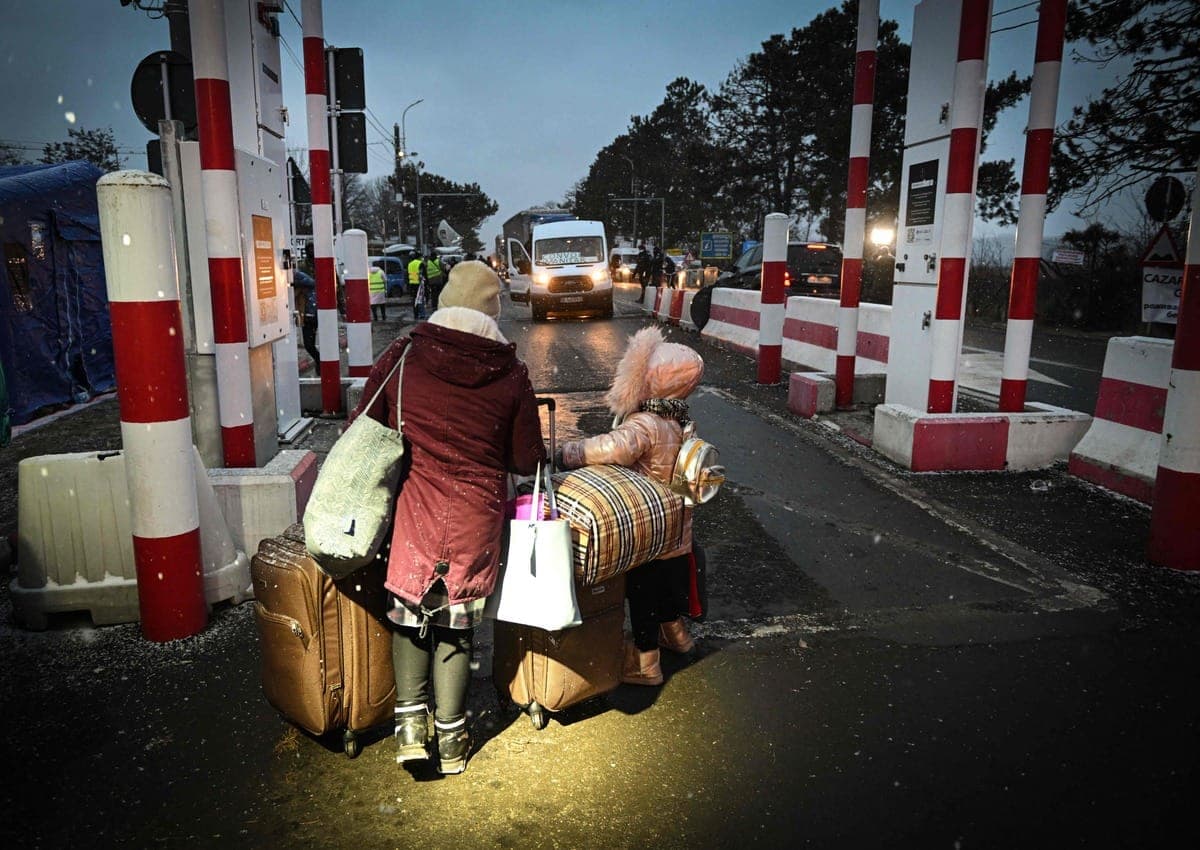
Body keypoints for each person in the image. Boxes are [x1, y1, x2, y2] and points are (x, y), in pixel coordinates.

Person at [349, 260, 546, 774]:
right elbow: (527, 459)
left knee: (410, 615)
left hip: (415, 507)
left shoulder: (407, 353)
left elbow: (364, 421)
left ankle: (410, 728)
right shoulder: (508, 371)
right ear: (491, 311)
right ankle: (454, 743)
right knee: (457, 626)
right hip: (475, 515)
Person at [556, 326, 704, 686]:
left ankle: (645, 661)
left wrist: (569, 452)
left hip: (645, 528)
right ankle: (678, 638)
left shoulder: (645, 422)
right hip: (676, 527)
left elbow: (615, 448)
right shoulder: (680, 419)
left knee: (642, 594)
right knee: (667, 588)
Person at [406, 255, 423, 319]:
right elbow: (422, 274)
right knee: (420, 299)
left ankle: (415, 314)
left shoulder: (409, 264)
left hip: (411, 284)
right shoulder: (420, 263)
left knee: (414, 299)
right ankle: (420, 314)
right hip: (419, 284)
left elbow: (407, 275)